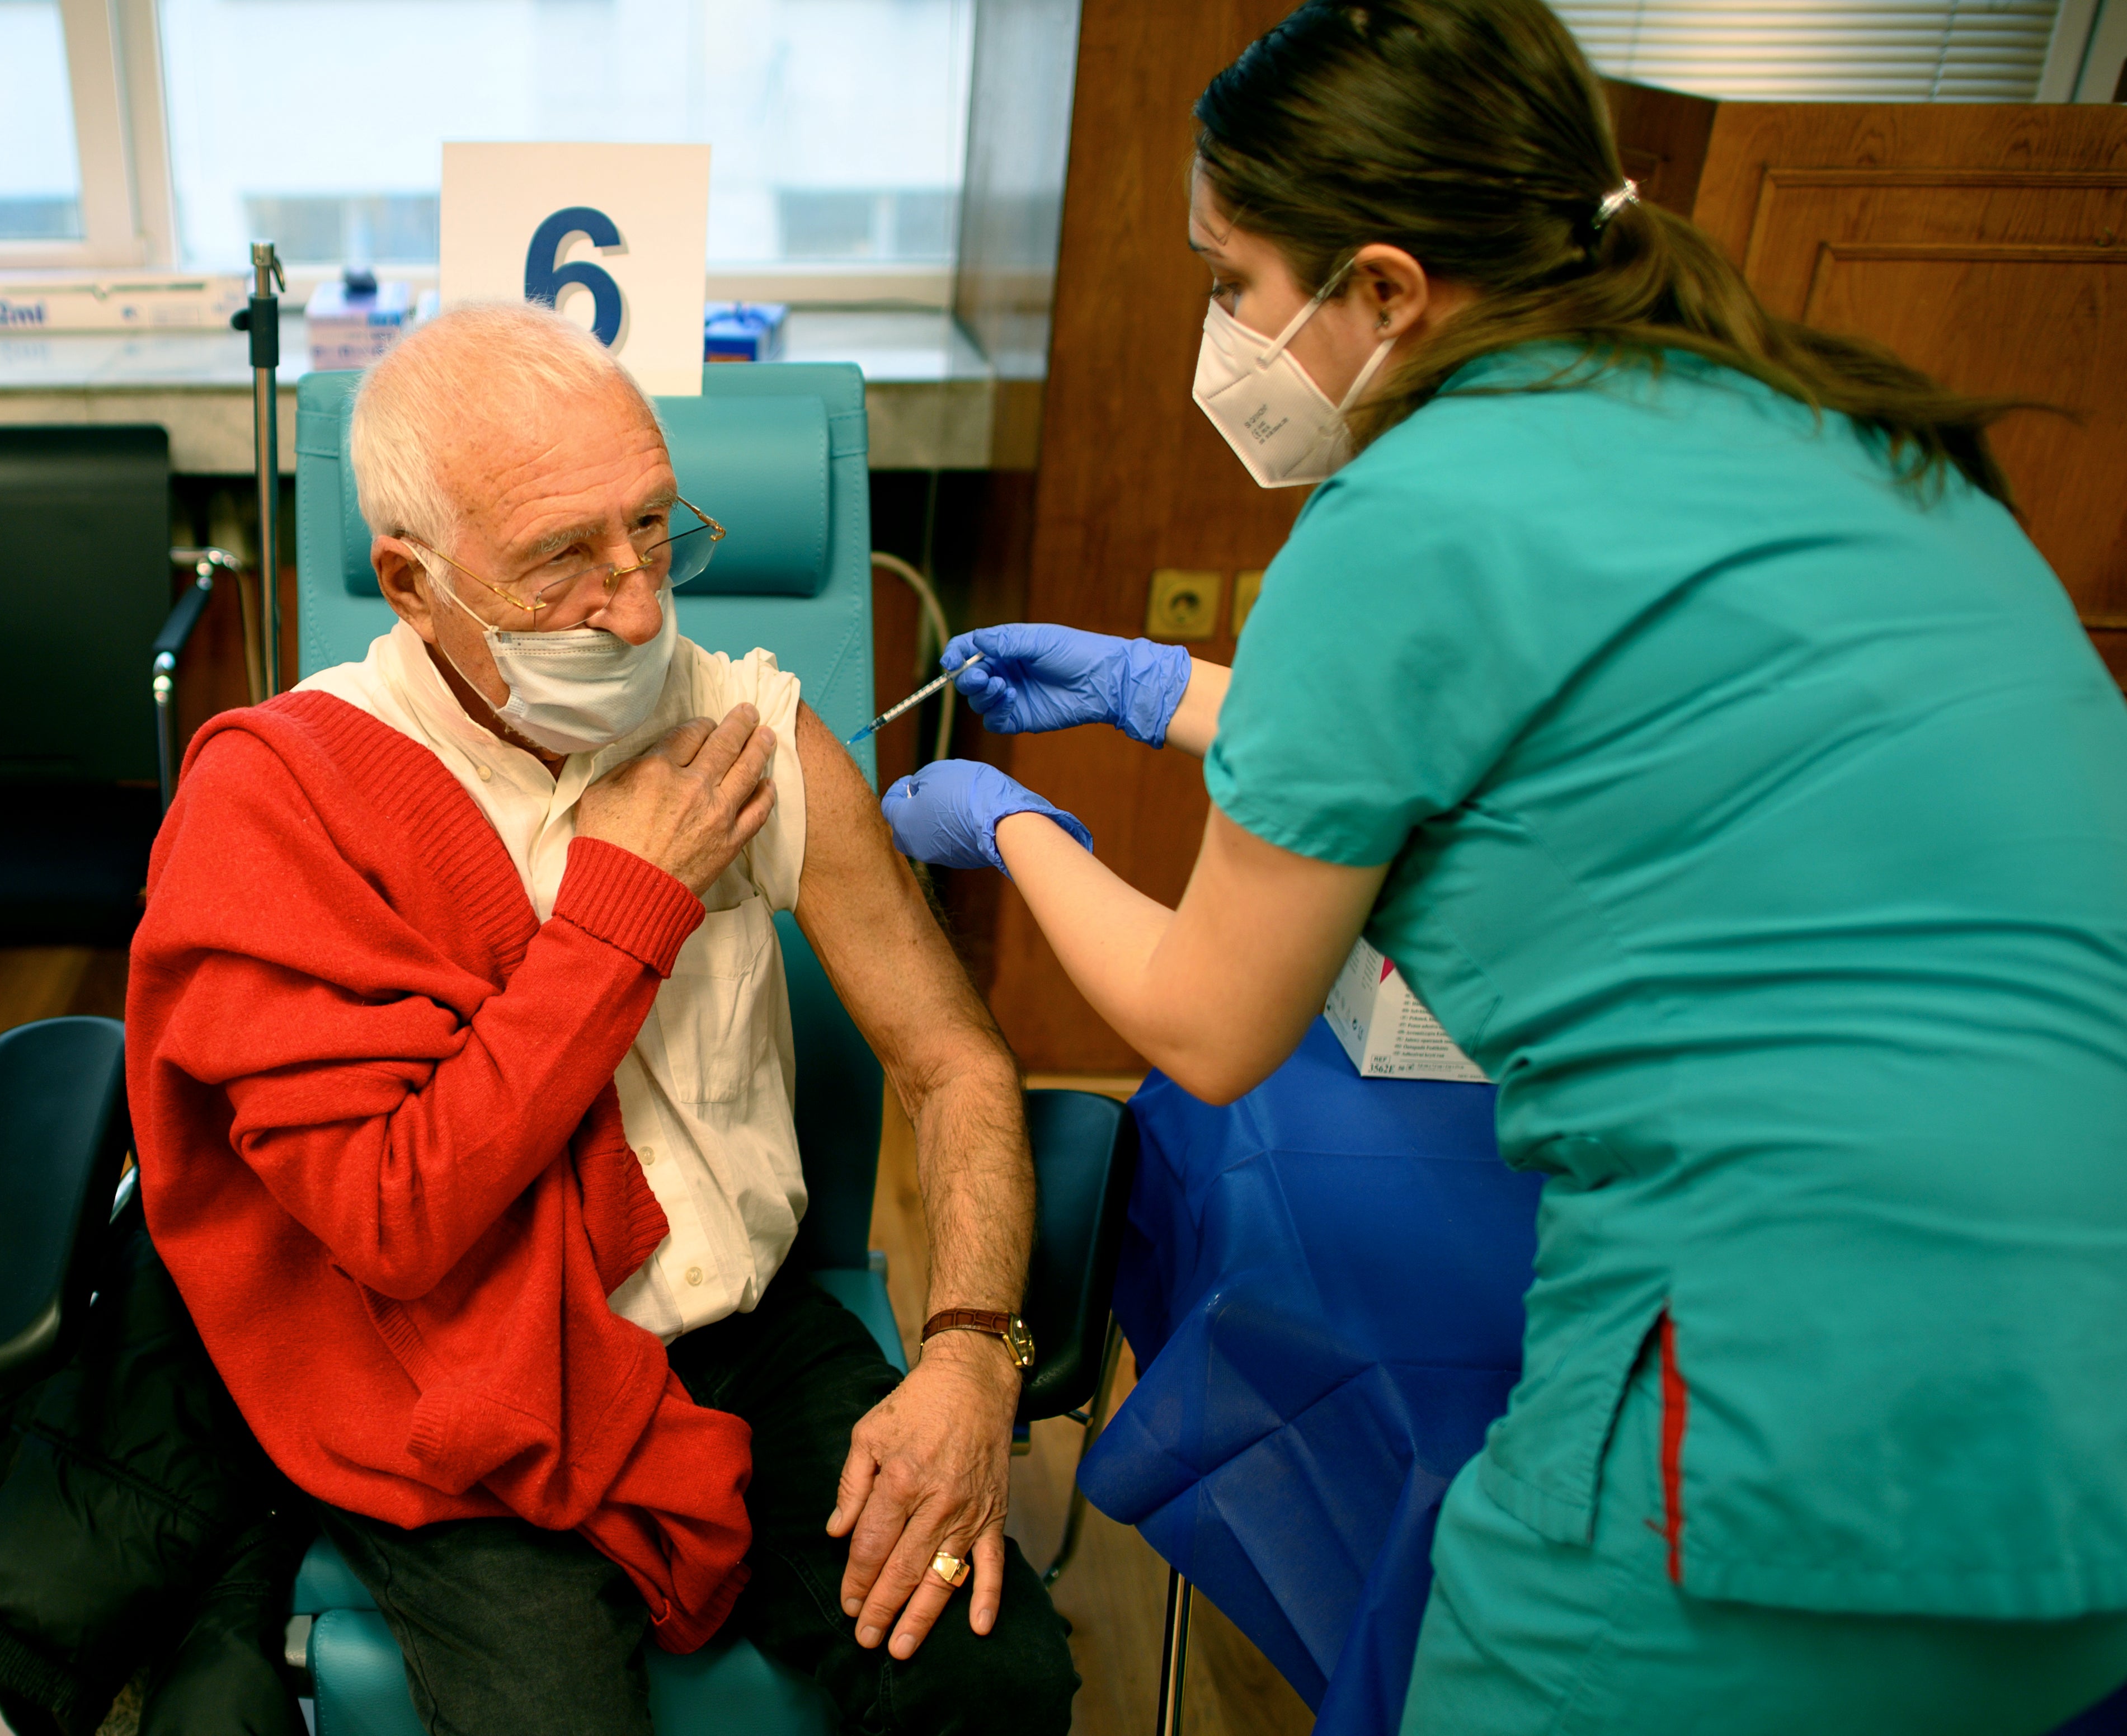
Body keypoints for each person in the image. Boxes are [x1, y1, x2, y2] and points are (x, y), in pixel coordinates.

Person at [878, 1, 2127, 1730]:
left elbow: (1209, 1020)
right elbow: (1545, 731)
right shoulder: (1832, 430)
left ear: (1382, 289)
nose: (1220, 331)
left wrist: (1008, 825)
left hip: (1807, 1408)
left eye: (1233, 282)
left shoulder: (1408, 512)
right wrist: (1167, 696)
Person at [125, 302, 1076, 1736]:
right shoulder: (282, 800)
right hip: (456, 1361)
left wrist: (962, 1353)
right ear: (408, 582)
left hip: (740, 1331)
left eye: (651, 529)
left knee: (992, 1680)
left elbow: (951, 1059)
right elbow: (392, 1219)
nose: (635, 606)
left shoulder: (740, 731)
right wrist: (626, 900)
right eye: (562, 560)